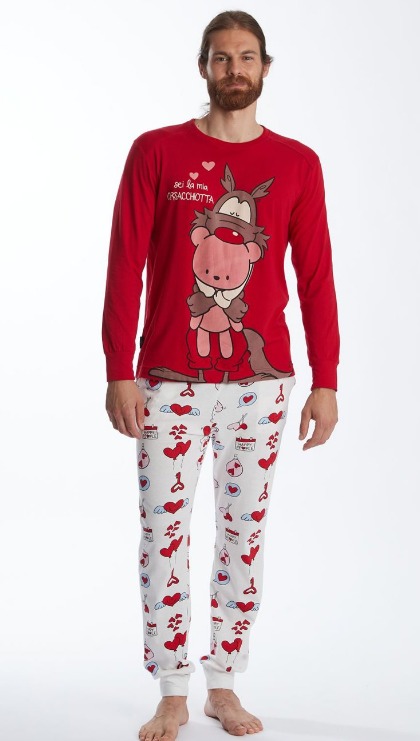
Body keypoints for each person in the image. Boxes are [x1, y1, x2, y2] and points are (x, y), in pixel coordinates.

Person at [102, 10, 339, 740]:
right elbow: (125, 263)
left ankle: (224, 683)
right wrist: (118, 368)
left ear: (266, 67)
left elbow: (316, 276)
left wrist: (326, 378)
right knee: (163, 533)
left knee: (244, 533)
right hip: (168, 382)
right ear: (202, 67)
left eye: (246, 57)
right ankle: (172, 689)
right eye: (221, 57)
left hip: (262, 390)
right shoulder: (156, 152)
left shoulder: (299, 163)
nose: (234, 69)